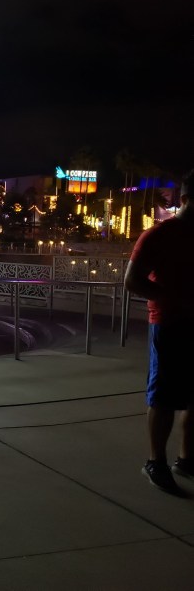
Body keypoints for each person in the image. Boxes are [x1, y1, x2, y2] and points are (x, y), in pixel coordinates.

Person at [124, 169, 194, 496]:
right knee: (164, 396)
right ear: (184, 200)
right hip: (168, 323)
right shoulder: (158, 235)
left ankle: (186, 459)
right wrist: (170, 298)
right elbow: (132, 280)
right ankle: (156, 462)